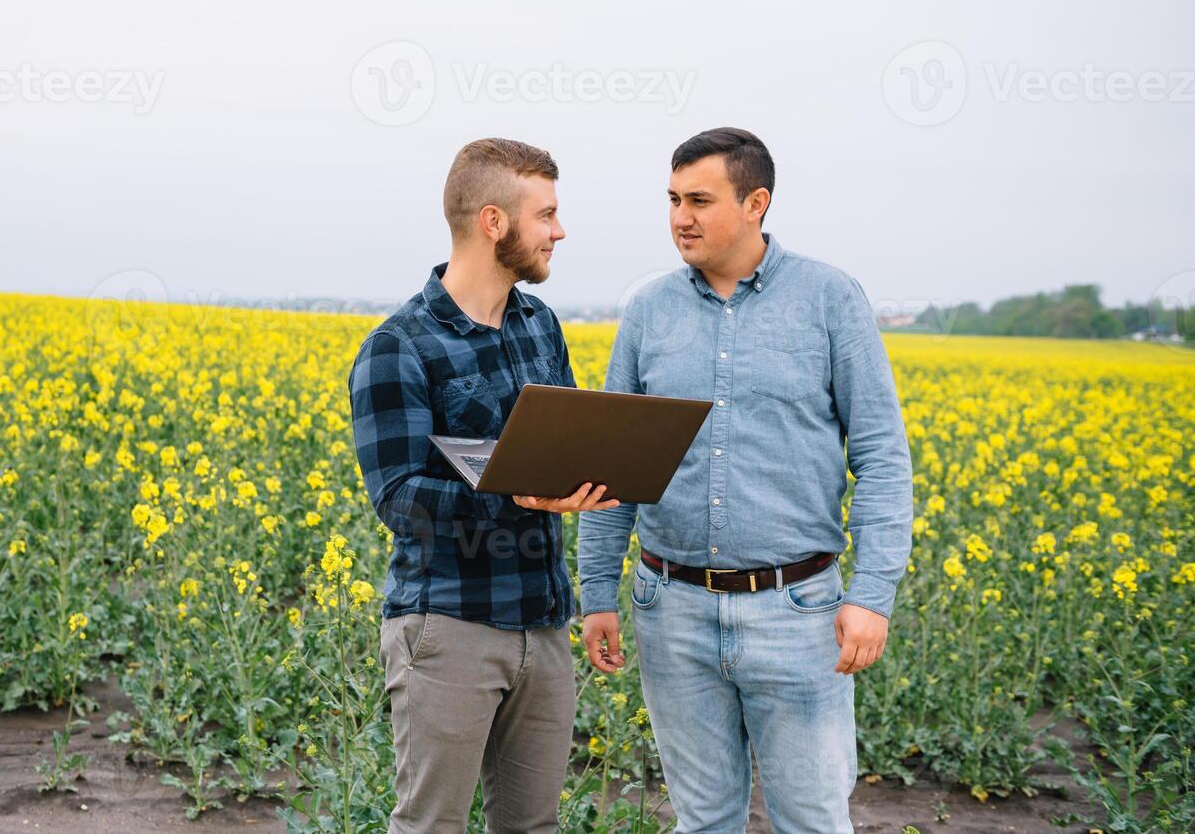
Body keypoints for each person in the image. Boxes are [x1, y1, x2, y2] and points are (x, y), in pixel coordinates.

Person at [576, 127, 914, 833]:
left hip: (798, 613)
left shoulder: (829, 299)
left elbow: (881, 455)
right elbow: (613, 466)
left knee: (813, 822)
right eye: (671, 199)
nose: (679, 217)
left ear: (756, 202)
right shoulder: (648, 310)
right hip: (671, 611)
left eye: (700, 199)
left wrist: (873, 594)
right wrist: (597, 592)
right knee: (701, 822)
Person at [348, 137, 619, 834]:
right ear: (493, 222)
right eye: (547, 215)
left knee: (533, 829)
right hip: (448, 627)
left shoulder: (540, 326)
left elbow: (559, 444)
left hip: (542, 620)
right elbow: (400, 498)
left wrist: (592, 471)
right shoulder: (398, 345)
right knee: (431, 826)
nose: (560, 231)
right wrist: (515, 493)